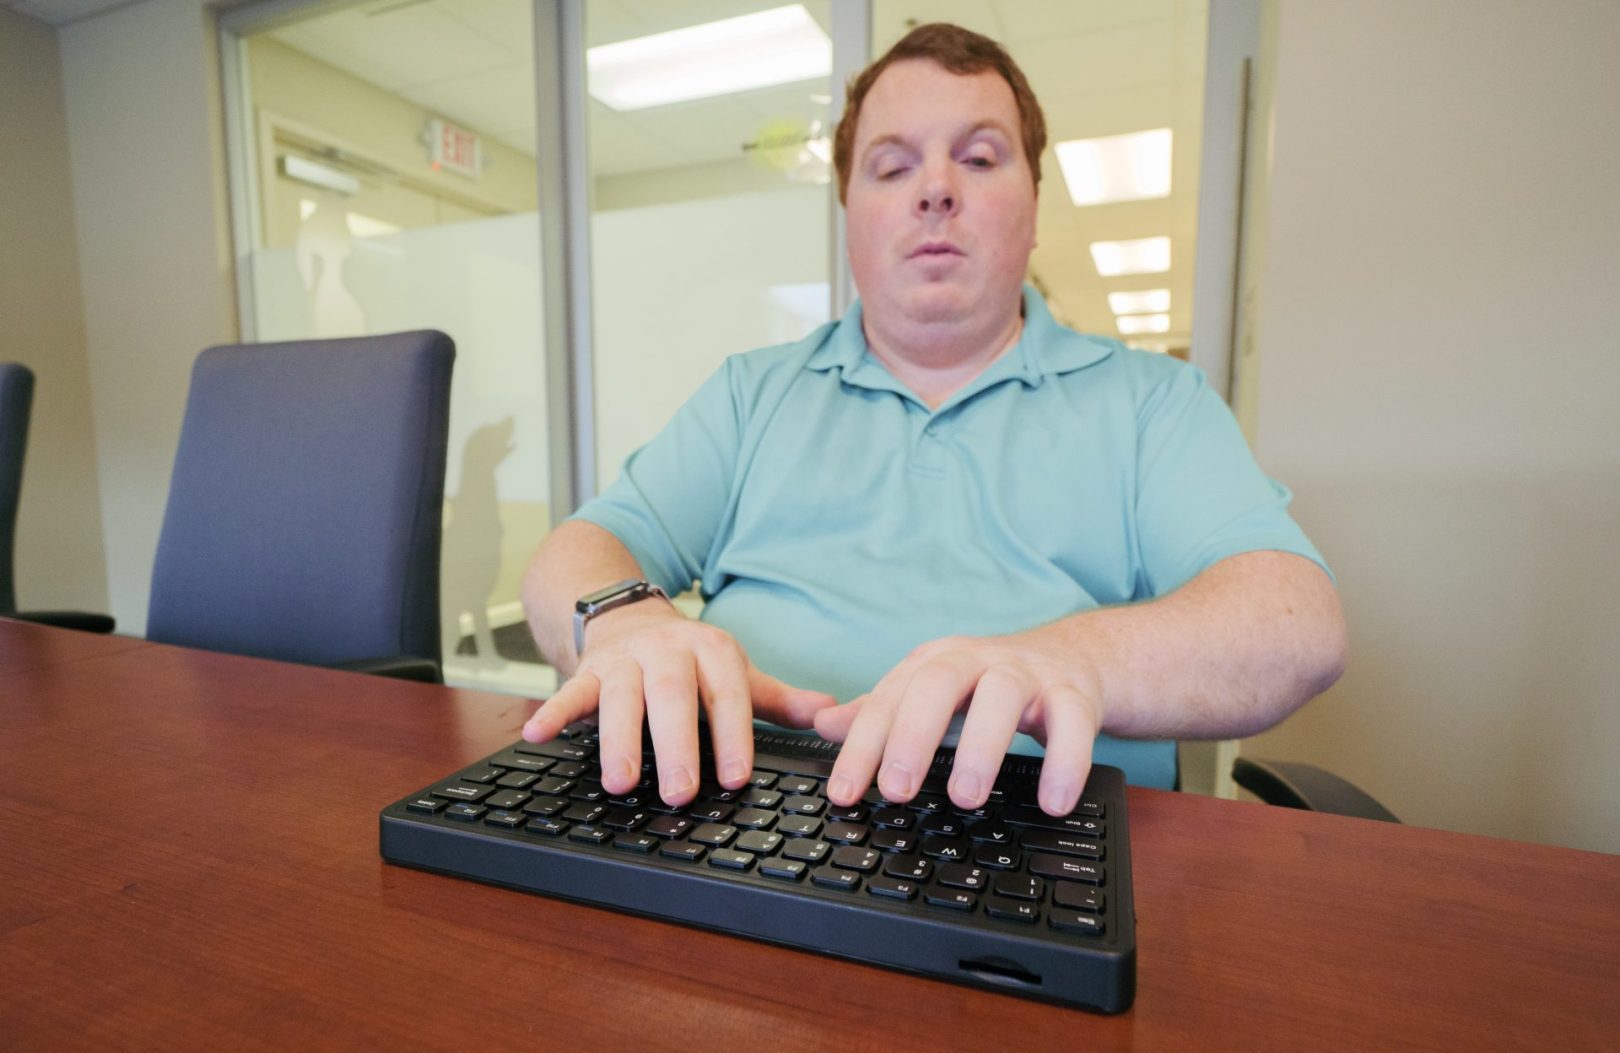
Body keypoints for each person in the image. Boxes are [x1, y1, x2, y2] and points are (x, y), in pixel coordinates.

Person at [520, 23, 1346, 818]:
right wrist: (623, 619)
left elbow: (1293, 622)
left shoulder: (1153, 401)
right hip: (733, 807)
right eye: (891, 166)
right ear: (850, 212)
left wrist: (1061, 661)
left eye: (980, 157)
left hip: (1040, 829)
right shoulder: (750, 393)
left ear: (1032, 203)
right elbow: (577, 551)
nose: (936, 188)